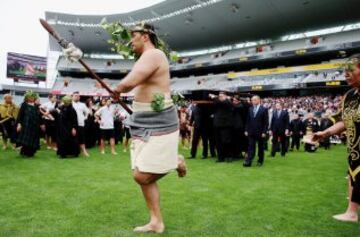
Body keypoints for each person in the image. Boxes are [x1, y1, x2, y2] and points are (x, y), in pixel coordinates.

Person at [64, 22, 187, 233]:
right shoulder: (144, 58)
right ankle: (156, 221)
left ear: (146, 36)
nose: (130, 40)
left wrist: (118, 89)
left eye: (134, 35)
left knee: (141, 175)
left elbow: (132, 81)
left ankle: (175, 161)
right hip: (141, 118)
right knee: (142, 177)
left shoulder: (155, 54)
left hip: (159, 119)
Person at [313, 54, 360, 222]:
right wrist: (325, 133)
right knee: (353, 175)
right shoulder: (350, 96)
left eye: (350, 70)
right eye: (344, 71)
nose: (345, 74)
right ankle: (352, 212)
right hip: (355, 150)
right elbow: (343, 120)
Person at [244, 95, 268, 167]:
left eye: (254, 100)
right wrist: (246, 130)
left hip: (260, 132)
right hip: (251, 131)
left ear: (258, 100)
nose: (252, 101)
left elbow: (266, 122)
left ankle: (260, 161)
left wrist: (264, 132)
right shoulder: (250, 109)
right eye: (252, 100)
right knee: (251, 147)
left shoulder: (264, 109)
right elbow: (247, 121)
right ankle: (249, 161)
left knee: (260, 147)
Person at [15, 91, 41, 157]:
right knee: (26, 140)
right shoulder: (24, 105)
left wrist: (42, 124)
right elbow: (20, 115)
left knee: (33, 139)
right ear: (27, 97)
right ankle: (25, 152)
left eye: (32, 97)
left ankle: (31, 153)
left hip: (35, 126)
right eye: (30, 97)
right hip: (26, 125)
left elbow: (39, 116)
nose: (31, 98)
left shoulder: (36, 105)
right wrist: (19, 124)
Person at [210, 92, 234, 162]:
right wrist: (216, 98)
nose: (220, 97)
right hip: (217, 125)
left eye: (221, 96)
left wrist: (215, 97)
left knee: (226, 141)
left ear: (226, 96)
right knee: (218, 142)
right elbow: (215, 103)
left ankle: (229, 156)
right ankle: (220, 157)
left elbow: (225, 103)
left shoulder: (228, 102)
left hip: (226, 125)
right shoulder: (217, 102)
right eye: (219, 96)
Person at [72, 91, 90, 157]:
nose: (77, 97)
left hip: (80, 124)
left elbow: (87, 112)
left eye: (78, 96)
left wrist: (84, 118)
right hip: (72, 125)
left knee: (81, 139)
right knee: (73, 139)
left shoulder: (82, 104)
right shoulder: (70, 104)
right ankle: (74, 152)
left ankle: (84, 151)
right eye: (75, 95)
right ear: (72, 96)